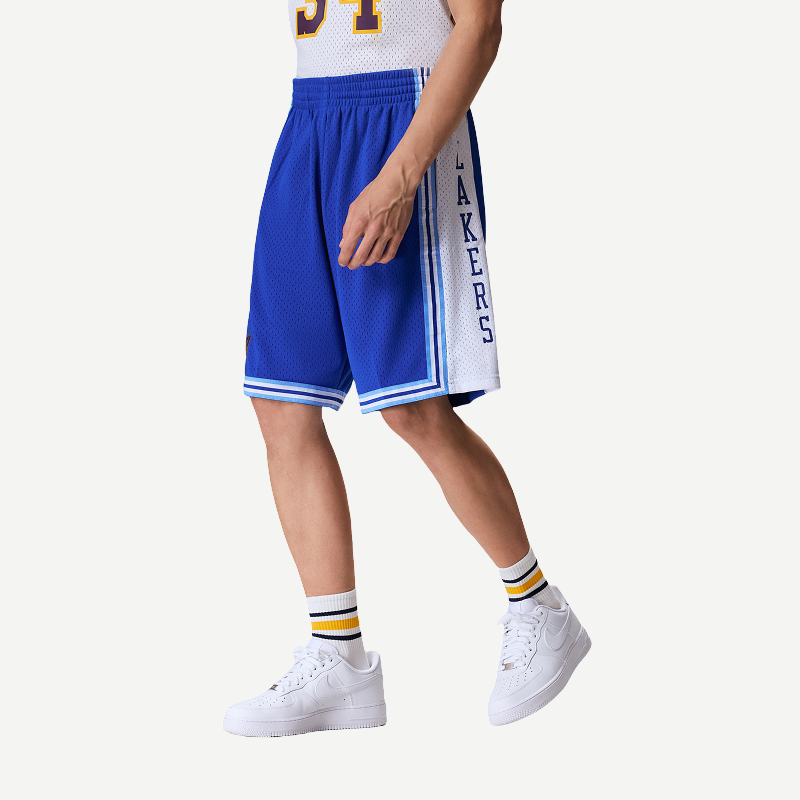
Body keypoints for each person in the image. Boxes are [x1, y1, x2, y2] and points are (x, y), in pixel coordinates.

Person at [223, 0, 590, 737]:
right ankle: (339, 656)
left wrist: (401, 174)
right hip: (310, 116)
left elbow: (479, 26)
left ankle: (539, 608)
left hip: (404, 114)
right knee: (281, 399)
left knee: (412, 407)